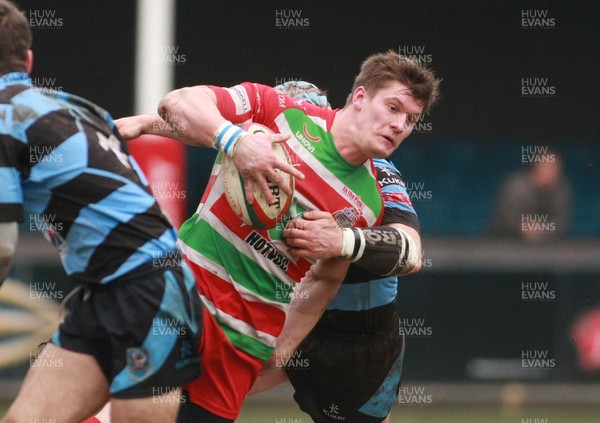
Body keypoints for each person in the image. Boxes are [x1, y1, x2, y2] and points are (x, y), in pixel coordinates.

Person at [115, 50, 439, 422]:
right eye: (394, 108)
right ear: (359, 98)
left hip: (339, 339)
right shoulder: (273, 116)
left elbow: (403, 256)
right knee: (136, 409)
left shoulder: (376, 191)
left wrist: (340, 242)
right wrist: (228, 140)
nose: (400, 125)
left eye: (411, 119)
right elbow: (184, 106)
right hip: (189, 296)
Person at [0, 1, 203, 421]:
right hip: (104, 292)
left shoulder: (4, 121)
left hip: (148, 292)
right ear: (29, 60)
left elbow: (1, 247)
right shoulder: (75, 105)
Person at [246, 81, 425, 423]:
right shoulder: (259, 160)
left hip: (356, 344)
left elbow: (411, 250)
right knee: (188, 395)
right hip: (285, 316)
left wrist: (343, 240)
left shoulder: (377, 173)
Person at [489, 151, 571, 242]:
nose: (551, 172)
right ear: (536, 167)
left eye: (555, 168)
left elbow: (561, 221)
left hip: (546, 245)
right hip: (504, 241)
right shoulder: (515, 186)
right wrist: (525, 227)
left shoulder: (561, 189)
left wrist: (541, 229)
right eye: (547, 167)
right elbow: (506, 218)